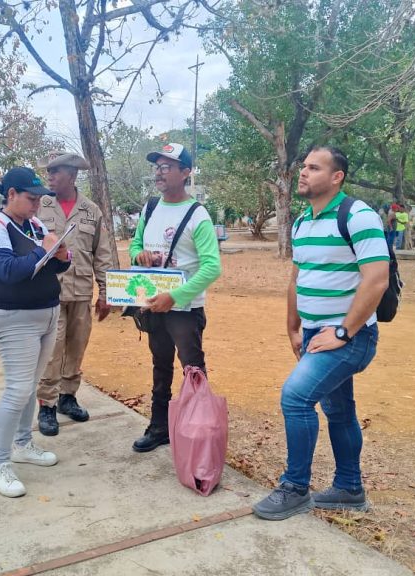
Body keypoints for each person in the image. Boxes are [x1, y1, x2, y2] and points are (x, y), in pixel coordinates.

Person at [253, 146, 389, 521]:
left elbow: (377, 280)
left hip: (350, 337)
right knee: (338, 409)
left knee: (295, 398)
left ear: (336, 177)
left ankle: (295, 487)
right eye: (303, 167)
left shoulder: (358, 216)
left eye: (314, 168)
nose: (304, 173)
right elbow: (299, 278)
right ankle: (349, 488)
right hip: (314, 333)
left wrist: (344, 332)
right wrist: (293, 327)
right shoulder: (302, 223)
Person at [0, 166, 71, 498]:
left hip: (45, 312)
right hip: (13, 317)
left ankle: (21, 443)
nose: (36, 205)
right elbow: (8, 271)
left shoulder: (34, 224)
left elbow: (57, 265)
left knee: (30, 385)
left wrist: (60, 254)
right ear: (11, 195)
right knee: (17, 389)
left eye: (39, 199)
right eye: (31, 199)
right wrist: (43, 249)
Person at [129, 142, 222, 453]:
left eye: (167, 166)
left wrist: (177, 296)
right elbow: (134, 246)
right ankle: (159, 427)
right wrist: (139, 255)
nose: (160, 171)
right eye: (157, 165)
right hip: (154, 304)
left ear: (186, 172)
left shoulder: (198, 215)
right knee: (160, 365)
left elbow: (212, 267)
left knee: (192, 369)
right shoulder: (150, 208)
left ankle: (200, 433)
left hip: (184, 309)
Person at [35, 151, 114, 436]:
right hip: (49, 291)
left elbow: (102, 254)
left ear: (72, 175)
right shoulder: (39, 207)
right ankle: (47, 404)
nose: (50, 177)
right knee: (52, 349)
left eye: (56, 172)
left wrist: (106, 292)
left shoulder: (91, 211)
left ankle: (68, 397)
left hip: (81, 290)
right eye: (49, 172)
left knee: (77, 345)